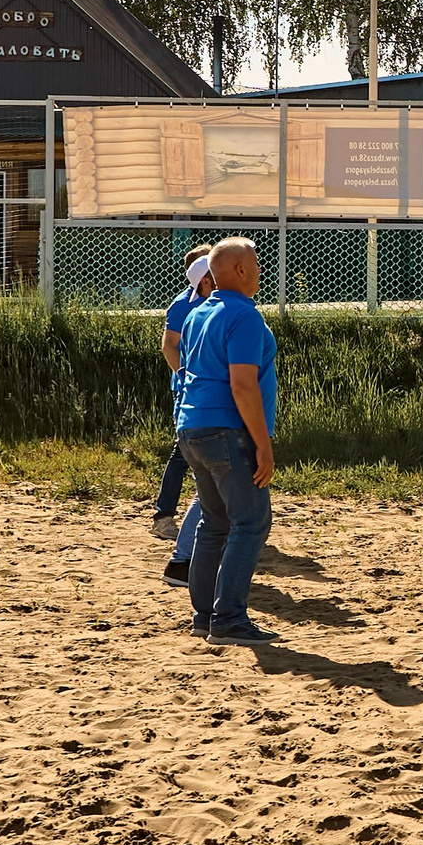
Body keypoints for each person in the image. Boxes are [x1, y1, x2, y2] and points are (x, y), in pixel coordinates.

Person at [175, 238, 283, 647]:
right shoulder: (244, 316)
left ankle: (204, 616)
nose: (259, 269)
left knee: (214, 523)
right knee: (251, 522)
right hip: (226, 431)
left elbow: (187, 372)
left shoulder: (197, 313)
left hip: (193, 429)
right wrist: (263, 444)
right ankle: (229, 618)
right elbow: (242, 385)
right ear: (239, 270)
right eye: (254, 263)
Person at [151, 245, 217, 551]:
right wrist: (187, 378)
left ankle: (207, 515)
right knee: (182, 454)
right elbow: (169, 347)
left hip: (206, 389)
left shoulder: (212, 303)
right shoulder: (183, 305)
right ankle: (163, 517)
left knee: (193, 455)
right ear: (204, 279)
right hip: (191, 389)